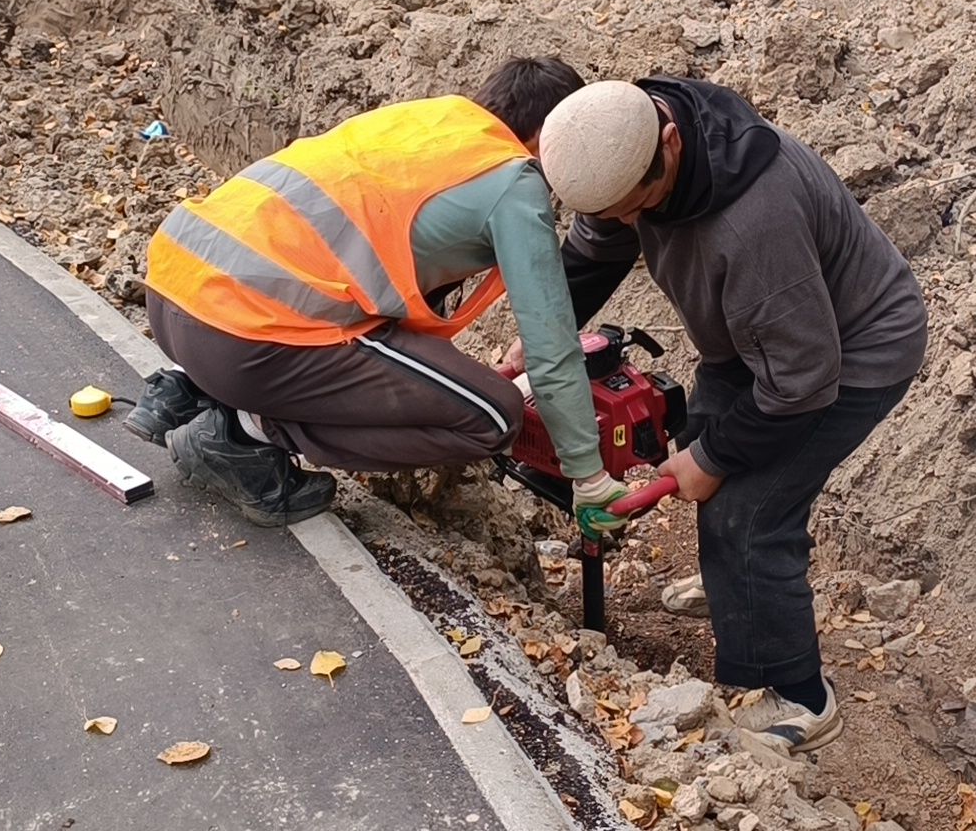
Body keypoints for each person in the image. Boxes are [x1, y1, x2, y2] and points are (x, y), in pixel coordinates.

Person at [532, 75, 927, 754]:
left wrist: (713, 461)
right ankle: (738, 593)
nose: (624, 224)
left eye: (636, 210)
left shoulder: (755, 221)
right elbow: (597, 250)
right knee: (701, 441)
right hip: (759, 343)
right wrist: (539, 335)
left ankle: (801, 697)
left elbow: (801, 382)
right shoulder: (620, 142)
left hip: (848, 356)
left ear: (670, 143)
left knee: (749, 512)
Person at [129, 58, 630, 531]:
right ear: (548, 135)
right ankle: (243, 432)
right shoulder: (513, 177)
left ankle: (189, 388)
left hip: (173, 293)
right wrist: (588, 476)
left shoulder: (426, 122)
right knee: (494, 416)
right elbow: (552, 349)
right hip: (243, 339)